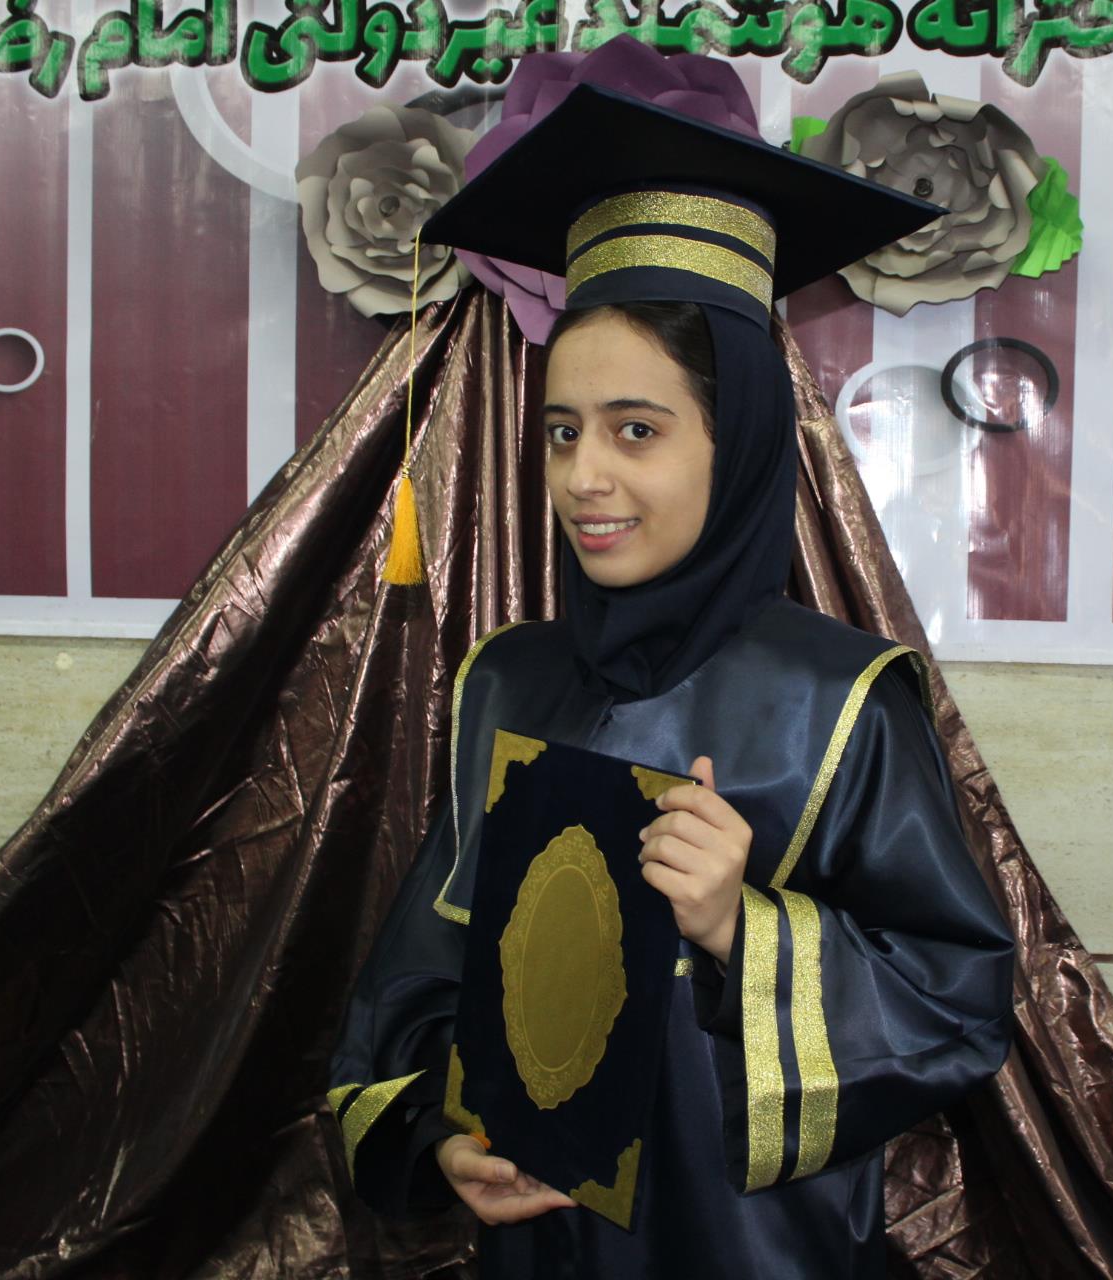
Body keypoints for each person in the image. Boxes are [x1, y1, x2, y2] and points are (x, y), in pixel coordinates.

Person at [327, 81, 1016, 1278]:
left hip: (751, 1251)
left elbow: (956, 1000)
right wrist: (443, 1131)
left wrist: (742, 927)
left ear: (735, 441)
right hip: (538, 1244)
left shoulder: (839, 702)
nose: (584, 476)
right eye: (562, 429)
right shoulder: (510, 681)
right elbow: (424, 971)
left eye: (636, 429)